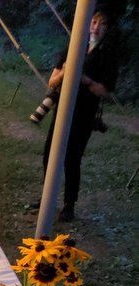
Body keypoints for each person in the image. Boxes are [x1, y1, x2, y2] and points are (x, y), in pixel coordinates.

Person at [42, 11, 119, 222]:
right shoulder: (73, 48)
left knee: (72, 159)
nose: (95, 27)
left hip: (84, 114)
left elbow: (104, 91)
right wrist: (66, 73)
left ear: (106, 29)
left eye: (101, 24)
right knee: (49, 154)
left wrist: (84, 79)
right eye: (93, 22)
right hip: (63, 109)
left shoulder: (107, 55)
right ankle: (47, 199)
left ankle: (69, 205)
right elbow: (52, 81)